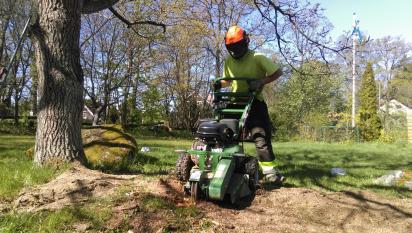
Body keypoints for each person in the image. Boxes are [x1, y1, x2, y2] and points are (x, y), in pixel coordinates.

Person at [214, 25, 285, 184]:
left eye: (238, 46)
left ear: (245, 42)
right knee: (226, 135)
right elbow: (228, 80)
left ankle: (271, 173)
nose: (235, 50)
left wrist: (261, 81)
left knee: (260, 137)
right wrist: (218, 84)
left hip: (254, 103)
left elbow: (278, 72)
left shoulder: (257, 57)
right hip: (235, 102)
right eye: (231, 47)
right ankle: (228, 166)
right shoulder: (228, 61)